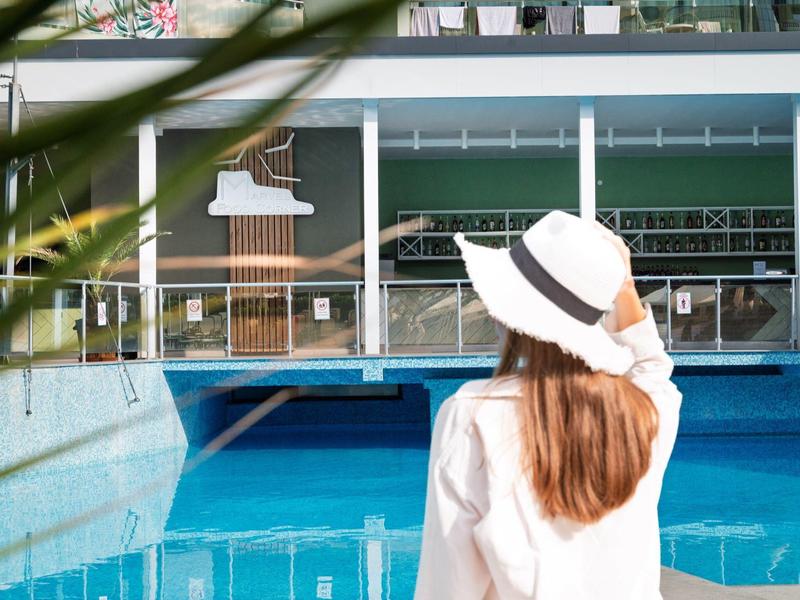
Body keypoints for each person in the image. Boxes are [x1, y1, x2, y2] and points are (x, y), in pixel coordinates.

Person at [415, 211, 682, 599]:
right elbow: (651, 369)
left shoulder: (474, 417)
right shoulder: (642, 414)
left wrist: (622, 284)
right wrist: (623, 287)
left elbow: (448, 587)